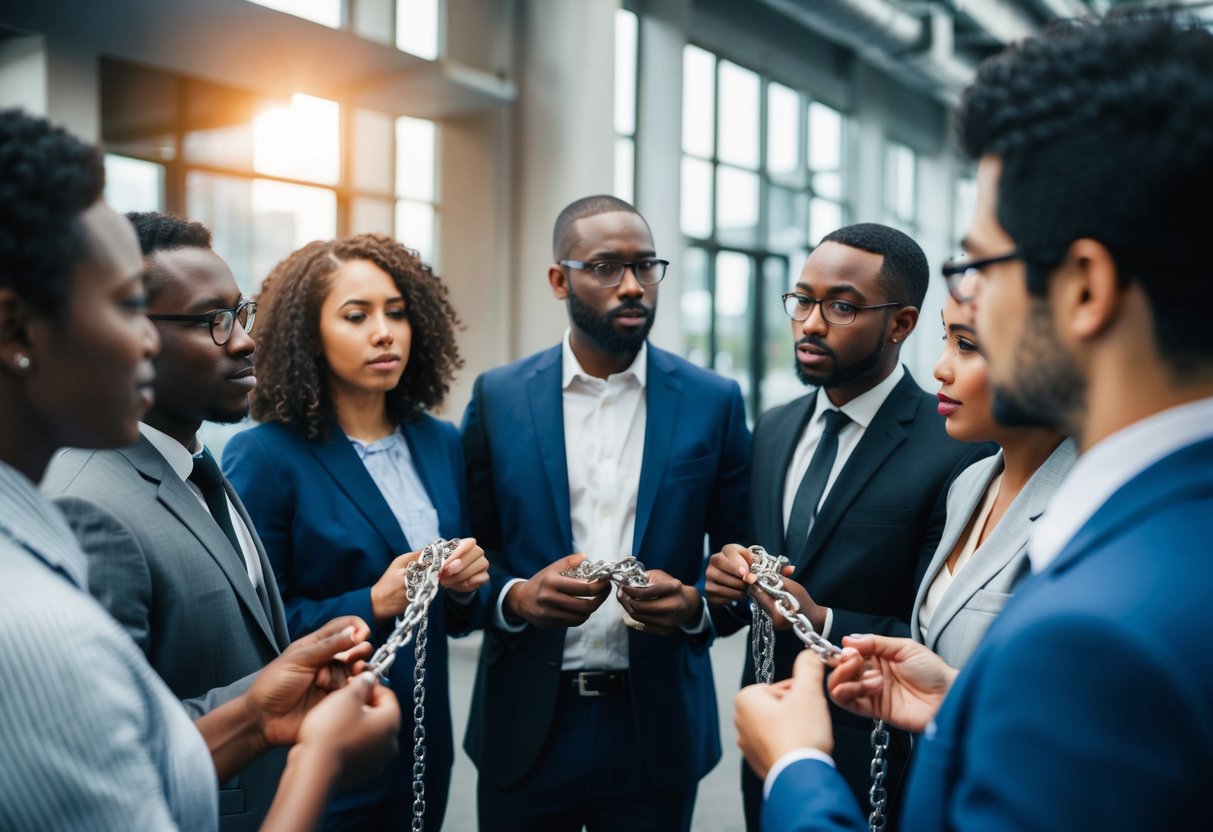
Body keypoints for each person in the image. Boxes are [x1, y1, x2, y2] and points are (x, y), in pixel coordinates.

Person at [734, 12, 1213, 830]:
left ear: (1084, 289)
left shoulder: (1093, 636)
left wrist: (798, 769)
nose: (966, 309)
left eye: (978, 263)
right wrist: (967, 709)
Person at [0, 107, 398, 831]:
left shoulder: (193, 470)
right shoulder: (34, 613)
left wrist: (255, 711)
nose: (142, 348)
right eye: (125, 307)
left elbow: (132, 741)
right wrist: (319, 760)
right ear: (18, 329)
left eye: (240, 312)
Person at [461, 194, 751, 831]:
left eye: (646, 267)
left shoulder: (713, 401)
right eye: (606, 268)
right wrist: (515, 598)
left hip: (656, 730)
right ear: (559, 279)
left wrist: (696, 604)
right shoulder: (499, 397)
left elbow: (740, 559)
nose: (632, 287)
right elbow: (468, 557)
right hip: (526, 725)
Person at [705, 222, 990, 824]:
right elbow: (749, 597)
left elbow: (938, 627)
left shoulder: (957, 450)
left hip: (886, 755)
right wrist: (726, 584)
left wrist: (823, 619)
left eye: (840, 306)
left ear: (901, 324)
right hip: (768, 741)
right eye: (802, 300)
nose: (809, 323)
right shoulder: (774, 430)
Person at [222, 233, 490, 832]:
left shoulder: (439, 442)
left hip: (423, 742)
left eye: (396, 312)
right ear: (308, 333)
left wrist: (468, 585)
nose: (384, 331)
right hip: (319, 737)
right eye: (356, 315)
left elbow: (463, 617)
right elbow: (255, 626)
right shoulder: (265, 456)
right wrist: (372, 602)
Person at [42, 211, 292, 831]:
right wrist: (270, 700)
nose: (243, 340)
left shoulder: (195, 461)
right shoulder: (87, 505)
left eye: (243, 313)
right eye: (213, 321)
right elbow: (96, 749)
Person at [910, 278, 1074, 668]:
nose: (939, 368)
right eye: (945, 337)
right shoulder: (969, 484)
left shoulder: (1082, 508)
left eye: (965, 345)